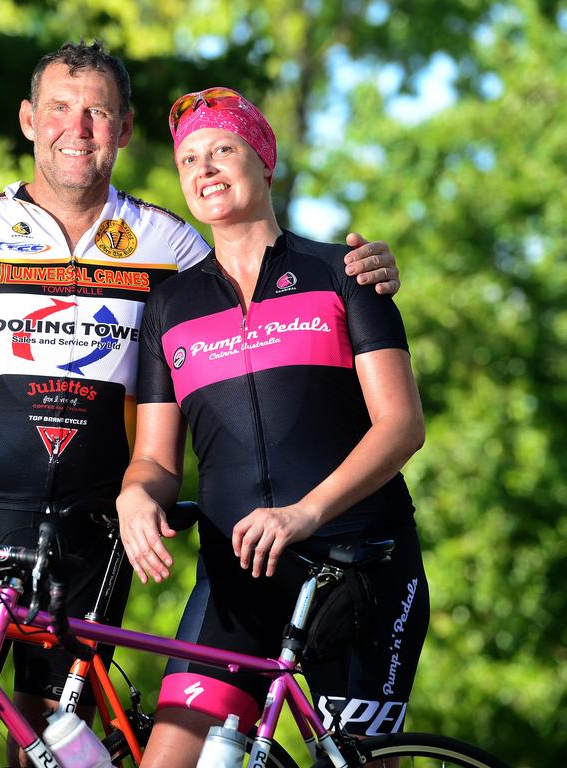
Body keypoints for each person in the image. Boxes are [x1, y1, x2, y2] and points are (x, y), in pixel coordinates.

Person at [0, 44, 401, 763]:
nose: (76, 128)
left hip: (89, 539)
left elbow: (263, 286)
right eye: (58, 108)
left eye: (97, 112)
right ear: (27, 119)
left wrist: (364, 268)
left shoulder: (171, 245)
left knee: (47, 744)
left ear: (124, 129)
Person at [116, 86, 429, 767]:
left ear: (264, 160)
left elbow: (401, 427)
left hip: (359, 568)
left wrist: (303, 514)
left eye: (223, 149)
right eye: (189, 159)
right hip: (235, 580)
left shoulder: (342, 274)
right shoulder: (169, 308)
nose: (204, 169)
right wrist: (135, 495)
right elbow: (156, 461)